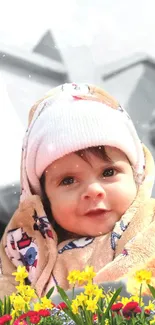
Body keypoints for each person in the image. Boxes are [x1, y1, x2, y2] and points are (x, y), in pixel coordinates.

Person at [0, 82, 155, 298]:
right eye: (68, 180)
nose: (93, 190)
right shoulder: (25, 253)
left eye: (108, 172)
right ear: (45, 199)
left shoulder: (150, 228)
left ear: (136, 176)